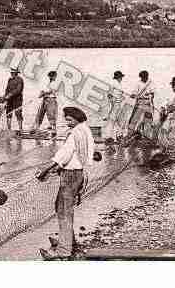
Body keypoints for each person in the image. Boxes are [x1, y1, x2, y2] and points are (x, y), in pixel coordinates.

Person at [38, 107, 95, 259]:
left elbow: (63, 154)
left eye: (70, 120)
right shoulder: (86, 131)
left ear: (77, 118)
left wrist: (46, 168)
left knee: (64, 211)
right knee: (61, 207)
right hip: (79, 173)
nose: (67, 122)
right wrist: (57, 168)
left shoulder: (74, 133)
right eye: (66, 119)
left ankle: (64, 250)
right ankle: (69, 241)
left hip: (70, 175)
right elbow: (80, 155)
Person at [127, 70, 156, 141]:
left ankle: (147, 137)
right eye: (142, 77)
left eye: (145, 77)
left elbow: (153, 94)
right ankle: (129, 134)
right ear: (141, 77)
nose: (144, 78)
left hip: (148, 104)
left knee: (148, 121)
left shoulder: (151, 83)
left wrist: (149, 95)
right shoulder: (138, 84)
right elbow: (134, 93)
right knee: (134, 119)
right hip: (139, 104)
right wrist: (133, 95)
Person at [34, 71, 58, 135]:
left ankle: (53, 129)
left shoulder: (54, 83)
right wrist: (41, 94)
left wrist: (43, 93)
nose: (52, 77)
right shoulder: (47, 83)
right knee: (40, 113)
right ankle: (37, 128)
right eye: (50, 76)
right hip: (45, 99)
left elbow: (50, 91)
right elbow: (43, 90)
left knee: (51, 114)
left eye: (53, 76)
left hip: (51, 100)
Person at [106, 70, 126, 142]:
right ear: (118, 77)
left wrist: (122, 97)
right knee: (112, 120)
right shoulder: (113, 83)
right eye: (120, 77)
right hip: (115, 104)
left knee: (117, 120)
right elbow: (109, 94)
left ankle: (118, 135)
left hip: (118, 103)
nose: (121, 78)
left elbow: (119, 93)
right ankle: (110, 136)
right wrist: (112, 102)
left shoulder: (119, 83)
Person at [4, 67, 24, 131]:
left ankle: (20, 129)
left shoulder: (20, 80)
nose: (11, 73)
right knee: (8, 113)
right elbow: (7, 89)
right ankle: (9, 129)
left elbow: (18, 90)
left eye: (13, 72)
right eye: (11, 72)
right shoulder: (9, 80)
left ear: (16, 73)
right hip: (9, 100)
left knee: (18, 113)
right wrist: (5, 96)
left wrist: (10, 94)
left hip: (17, 99)